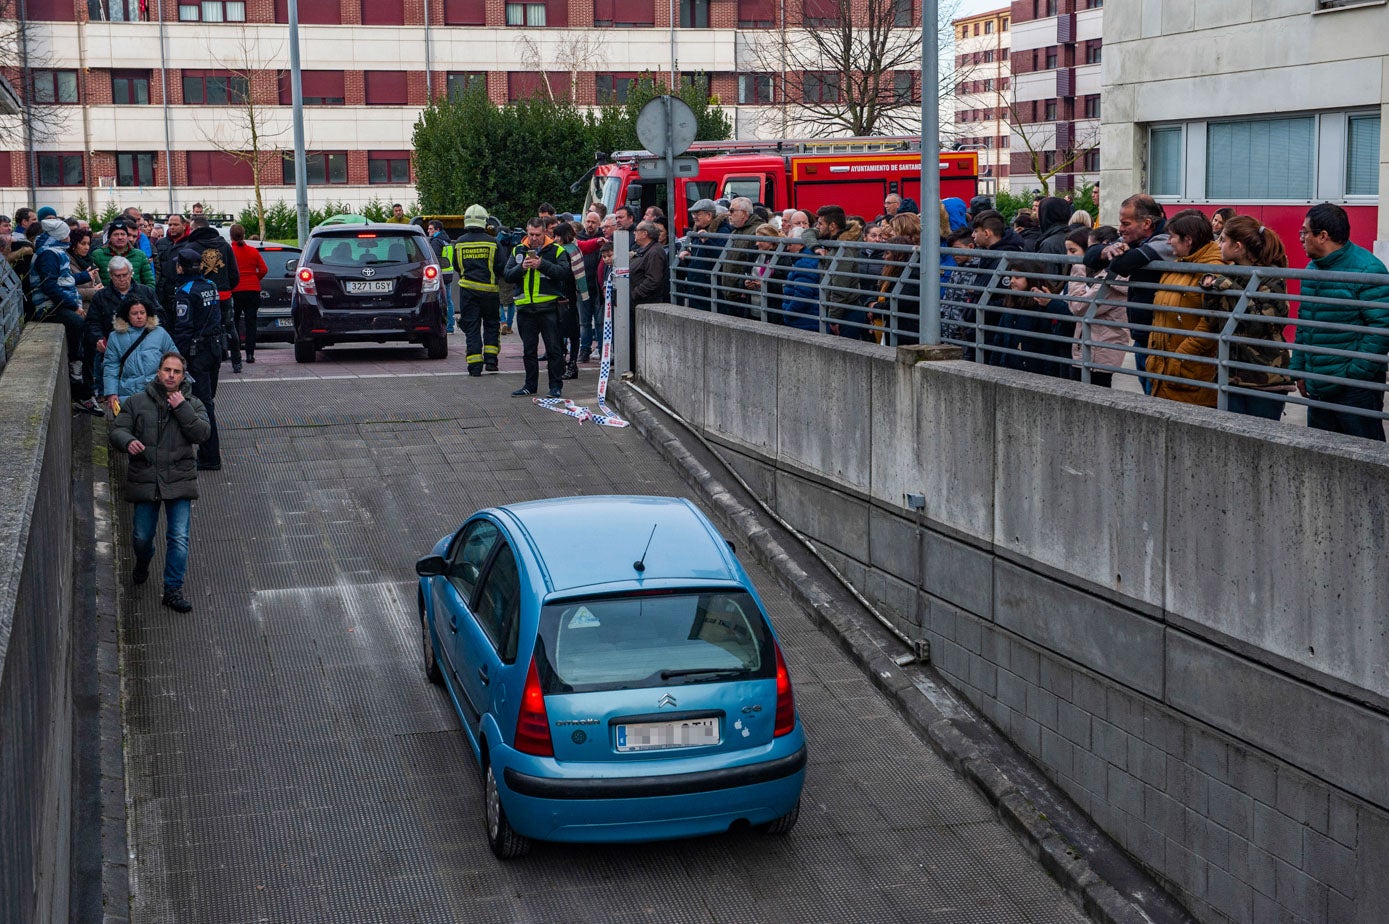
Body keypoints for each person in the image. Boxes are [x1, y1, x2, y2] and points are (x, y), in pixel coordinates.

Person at [109, 351, 211, 613]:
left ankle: (172, 590)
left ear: (182, 376)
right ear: (158, 372)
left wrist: (181, 407)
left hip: (179, 478)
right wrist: (127, 441)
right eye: (167, 370)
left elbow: (202, 433)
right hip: (146, 477)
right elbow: (118, 429)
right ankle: (144, 561)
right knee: (141, 537)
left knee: (178, 537)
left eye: (176, 372)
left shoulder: (193, 403)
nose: (171, 375)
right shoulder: (137, 401)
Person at [1294, 203, 1389, 440]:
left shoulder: (1369, 270)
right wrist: (1300, 369)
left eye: (1305, 232)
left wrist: (1354, 374)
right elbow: (1305, 321)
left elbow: (1381, 328)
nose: (1301, 238)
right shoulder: (1312, 268)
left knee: (1364, 456)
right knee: (1320, 454)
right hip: (1319, 382)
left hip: (1355, 389)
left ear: (1323, 236)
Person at [1195, 216, 1294, 420]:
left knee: (1261, 441)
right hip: (1231, 375)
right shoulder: (1230, 273)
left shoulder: (1271, 277)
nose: (1218, 244)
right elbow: (1214, 321)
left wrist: (1228, 287)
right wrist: (1211, 292)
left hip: (1265, 379)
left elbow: (1262, 325)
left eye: (1222, 240)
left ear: (1238, 246)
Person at [1145, 210, 1225, 407]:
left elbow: (1212, 322)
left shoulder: (1214, 269)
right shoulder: (1179, 264)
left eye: (1172, 237)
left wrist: (1181, 356)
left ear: (1188, 240)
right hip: (1165, 370)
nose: (1168, 241)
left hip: (1188, 374)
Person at [1098, 194, 1174, 393]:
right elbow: (1091, 256)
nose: (1120, 229)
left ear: (1147, 223)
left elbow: (1121, 265)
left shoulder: (1165, 242)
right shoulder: (1135, 240)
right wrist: (1108, 250)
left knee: (1157, 395)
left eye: (1125, 223)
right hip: (1142, 333)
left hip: (1160, 336)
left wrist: (1115, 252)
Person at [171, 248, 226, 469]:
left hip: (198, 353)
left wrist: (179, 360)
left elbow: (184, 328)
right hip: (215, 349)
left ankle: (210, 457)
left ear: (180, 268)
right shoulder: (211, 286)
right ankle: (209, 453)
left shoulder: (185, 291)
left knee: (204, 405)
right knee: (208, 401)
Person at [503, 218, 570, 398]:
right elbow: (507, 275)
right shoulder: (518, 250)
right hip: (525, 309)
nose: (533, 238)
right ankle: (529, 385)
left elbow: (564, 273)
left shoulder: (556, 250)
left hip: (549, 308)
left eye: (537, 235)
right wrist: (521, 268)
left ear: (545, 233)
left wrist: (542, 265)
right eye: (530, 234)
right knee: (528, 351)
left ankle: (555, 386)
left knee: (554, 349)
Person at [86, 254, 158, 408]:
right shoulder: (101, 297)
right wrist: (98, 338)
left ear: (131, 273)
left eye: (125, 275)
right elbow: (92, 322)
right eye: (117, 276)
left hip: (144, 349)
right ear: (111, 276)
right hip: (113, 350)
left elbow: (160, 316)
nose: (122, 279)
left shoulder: (145, 292)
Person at [1064, 227, 1129, 387]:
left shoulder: (1113, 278)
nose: (1069, 256)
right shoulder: (1102, 274)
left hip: (1097, 352)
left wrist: (1078, 268)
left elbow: (1079, 307)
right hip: (1092, 348)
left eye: (1073, 251)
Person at [28, 217, 90, 381]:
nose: (70, 238)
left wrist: (85, 276)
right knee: (77, 323)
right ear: (60, 236)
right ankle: (75, 362)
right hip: (48, 306)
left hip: (59, 302)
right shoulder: (48, 254)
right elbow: (50, 286)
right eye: (67, 234)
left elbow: (65, 280)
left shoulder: (56, 252)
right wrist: (72, 306)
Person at [454, 205, 508, 376]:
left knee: (472, 327)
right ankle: (491, 361)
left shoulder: (460, 243)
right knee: (492, 325)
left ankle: (475, 366)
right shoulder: (493, 243)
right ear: (484, 221)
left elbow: (457, 266)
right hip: (490, 292)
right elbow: (501, 267)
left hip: (468, 292)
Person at [184, 215, 240, 371]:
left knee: (203, 328)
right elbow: (234, 272)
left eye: (192, 228)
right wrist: (227, 287)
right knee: (229, 326)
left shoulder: (192, 247)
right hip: (224, 293)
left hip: (200, 293)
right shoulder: (224, 245)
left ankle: (208, 359)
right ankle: (237, 360)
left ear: (197, 229)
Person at [103, 299, 176, 410]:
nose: (139, 316)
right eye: (134, 313)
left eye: (142, 313)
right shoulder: (115, 337)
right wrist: (111, 392)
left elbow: (175, 361)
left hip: (158, 391)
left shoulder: (160, 333)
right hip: (129, 393)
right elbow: (111, 366)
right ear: (127, 315)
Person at [815, 206, 869, 340]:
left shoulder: (843, 250)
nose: (817, 227)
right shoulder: (834, 244)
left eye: (821, 223)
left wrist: (833, 319)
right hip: (843, 311)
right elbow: (807, 233)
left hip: (847, 313)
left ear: (832, 226)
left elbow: (840, 289)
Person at [678, 199, 727, 313]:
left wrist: (707, 241)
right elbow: (700, 255)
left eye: (698, 213)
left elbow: (722, 256)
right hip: (696, 290)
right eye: (693, 213)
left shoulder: (722, 231)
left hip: (710, 291)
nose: (694, 216)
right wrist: (689, 257)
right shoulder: (697, 232)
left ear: (709, 215)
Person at [229, 224, 268, 365]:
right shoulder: (253, 251)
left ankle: (236, 351)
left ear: (231, 236)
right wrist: (254, 278)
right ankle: (250, 353)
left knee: (234, 322)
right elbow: (264, 269)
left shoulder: (230, 251)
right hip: (252, 289)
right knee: (251, 322)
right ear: (244, 235)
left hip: (235, 290)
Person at [155, 213, 190, 326]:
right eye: (170, 224)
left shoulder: (190, 244)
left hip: (181, 291)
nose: (172, 227)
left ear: (184, 225)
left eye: (175, 224)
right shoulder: (161, 243)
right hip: (163, 293)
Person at [425, 220, 457, 334]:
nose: (428, 231)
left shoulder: (436, 242)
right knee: (448, 300)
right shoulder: (446, 241)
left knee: (442, 301)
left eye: (430, 229)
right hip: (448, 273)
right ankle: (450, 326)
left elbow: (434, 259)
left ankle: (447, 326)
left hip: (440, 275)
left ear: (437, 230)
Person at [630, 220, 669, 307]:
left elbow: (653, 280)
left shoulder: (655, 252)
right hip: (637, 304)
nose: (634, 233)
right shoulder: (642, 250)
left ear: (644, 234)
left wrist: (633, 295)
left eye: (636, 230)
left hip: (644, 304)